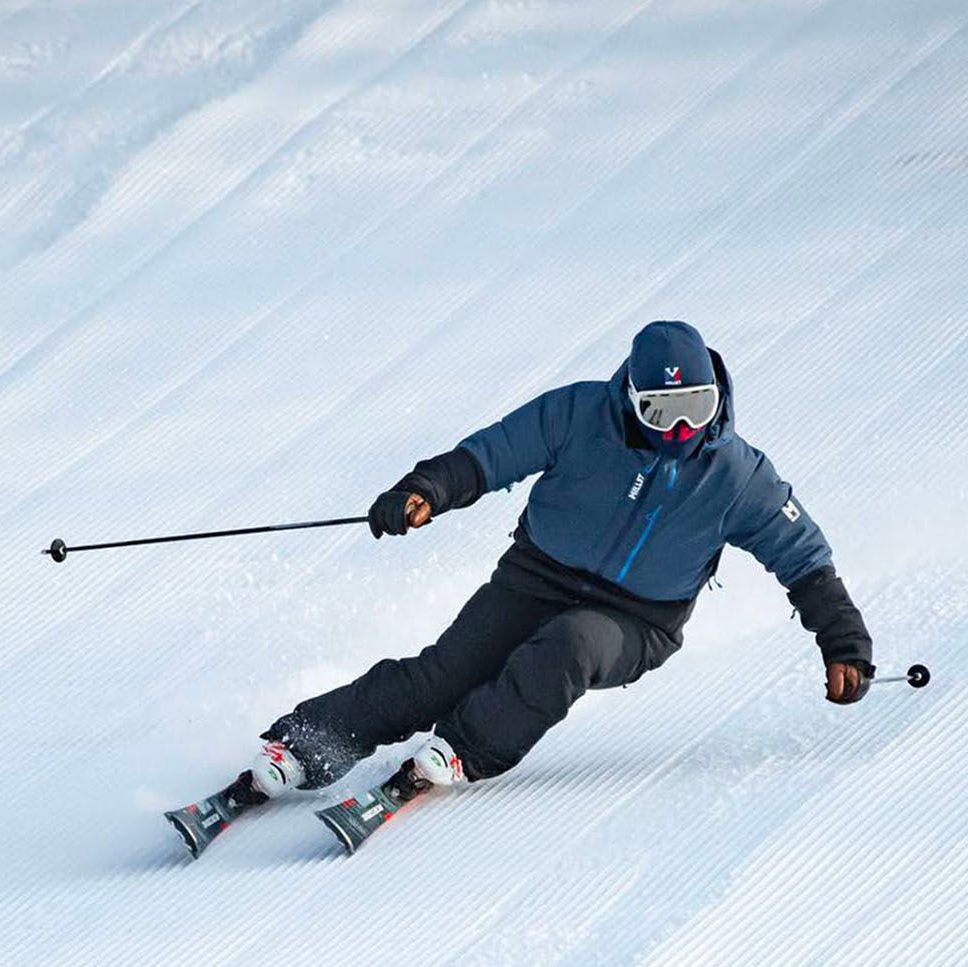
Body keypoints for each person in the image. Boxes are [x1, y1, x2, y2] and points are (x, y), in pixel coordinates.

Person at [168, 320, 873, 854]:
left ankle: (464, 749)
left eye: (695, 406)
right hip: (536, 575)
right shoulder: (578, 414)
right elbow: (494, 453)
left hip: (637, 618)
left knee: (567, 647)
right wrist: (428, 490)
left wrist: (843, 643)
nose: (681, 428)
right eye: (662, 413)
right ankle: (304, 747)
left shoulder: (739, 475)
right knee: (443, 675)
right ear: (630, 401)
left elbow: (804, 558)